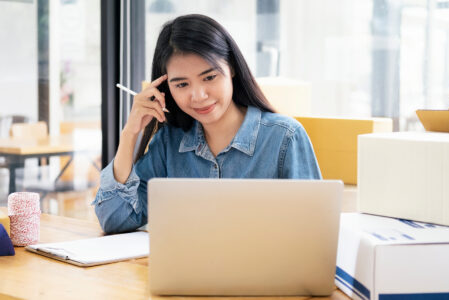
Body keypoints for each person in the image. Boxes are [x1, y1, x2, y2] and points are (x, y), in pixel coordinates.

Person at [92, 14, 321, 234]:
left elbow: (314, 230)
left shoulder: (285, 138)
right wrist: (129, 133)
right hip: (186, 273)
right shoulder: (169, 143)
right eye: (182, 84)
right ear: (165, 88)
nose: (198, 96)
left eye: (209, 77)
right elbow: (115, 219)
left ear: (230, 68)